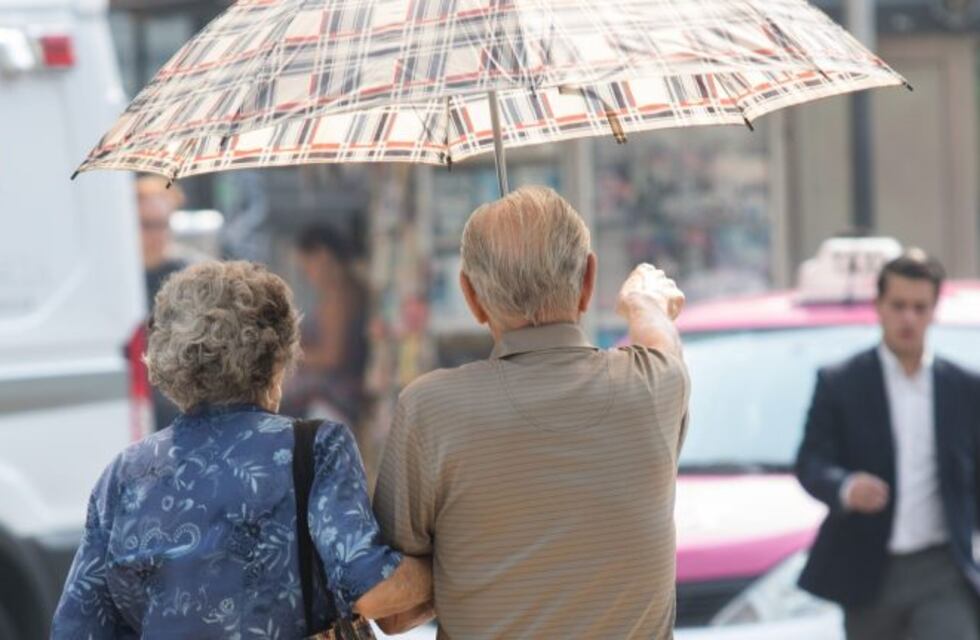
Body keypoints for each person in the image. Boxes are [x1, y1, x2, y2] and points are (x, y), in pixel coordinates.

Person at [373, 186, 690, 639]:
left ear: (470, 296)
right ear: (588, 280)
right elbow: (662, 341)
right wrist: (644, 302)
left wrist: (474, 568)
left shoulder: (430, 409)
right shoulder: (654, 386)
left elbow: (392, 609)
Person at [51, 261, 431, 638]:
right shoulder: (315, 448)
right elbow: (371, 586)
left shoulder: (124, 475)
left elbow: (76, 627)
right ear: (276, 358)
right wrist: (446, 567)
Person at [795, 250, 980, 640]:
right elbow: (812, 462)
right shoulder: (841, 383)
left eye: (919, 307)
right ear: (878, 306)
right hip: (869, 570)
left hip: (942, 569)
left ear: (934, 311)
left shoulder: (964, 388)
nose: (908, 318)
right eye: (898, 306)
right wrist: (846, 486)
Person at [282, 226, 370, 430]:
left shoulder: (338, 296)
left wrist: (290, 354)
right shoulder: (348, 289)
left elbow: (332, 357)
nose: (308, 275)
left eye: (308, 267)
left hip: (336, 395)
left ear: (323, 256)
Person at [136, 175, 189, 430]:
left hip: (173, 404)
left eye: (163, 224)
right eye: (148, 224)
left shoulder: (187, 275)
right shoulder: (117, 276)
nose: (157, 234)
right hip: (131, 396)